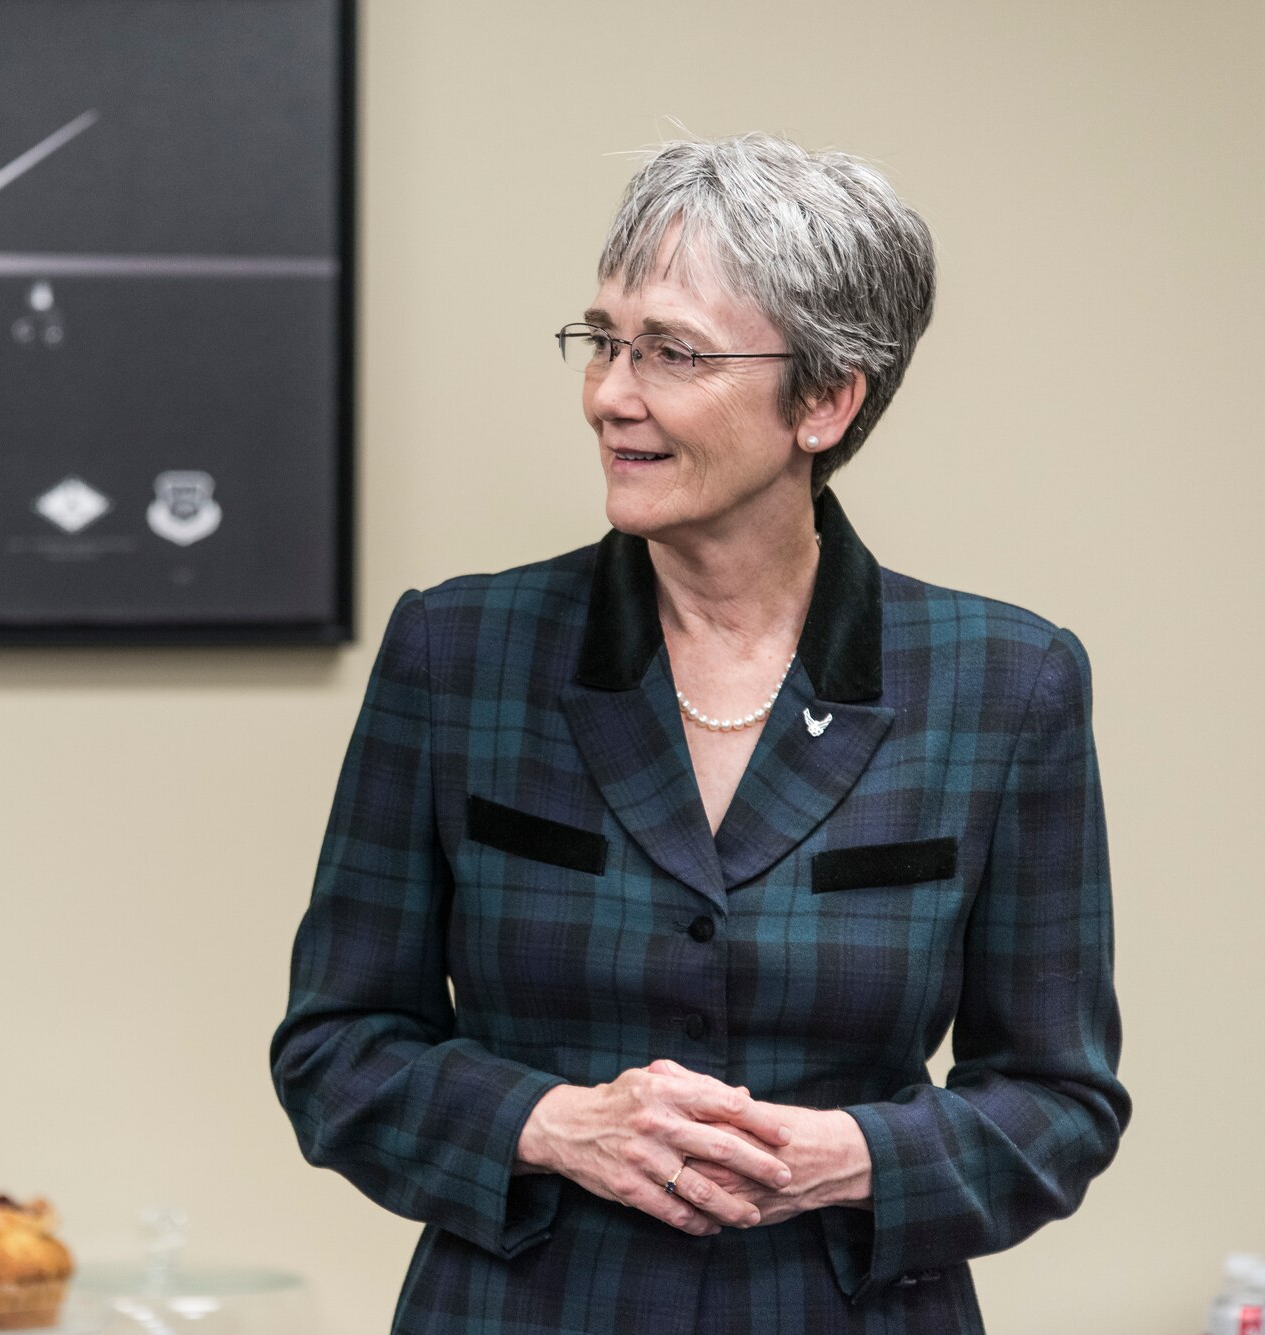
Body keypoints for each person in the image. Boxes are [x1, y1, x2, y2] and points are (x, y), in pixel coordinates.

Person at [268, 133, 1128, 1334]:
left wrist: (854, 1155)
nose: (609, 393)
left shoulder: (1005, 682)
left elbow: (1058, 1102)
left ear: (824, 400)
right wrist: (549, 1126)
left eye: (671, 352)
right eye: (604, 340)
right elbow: (333, 1050)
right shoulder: (457, 650)